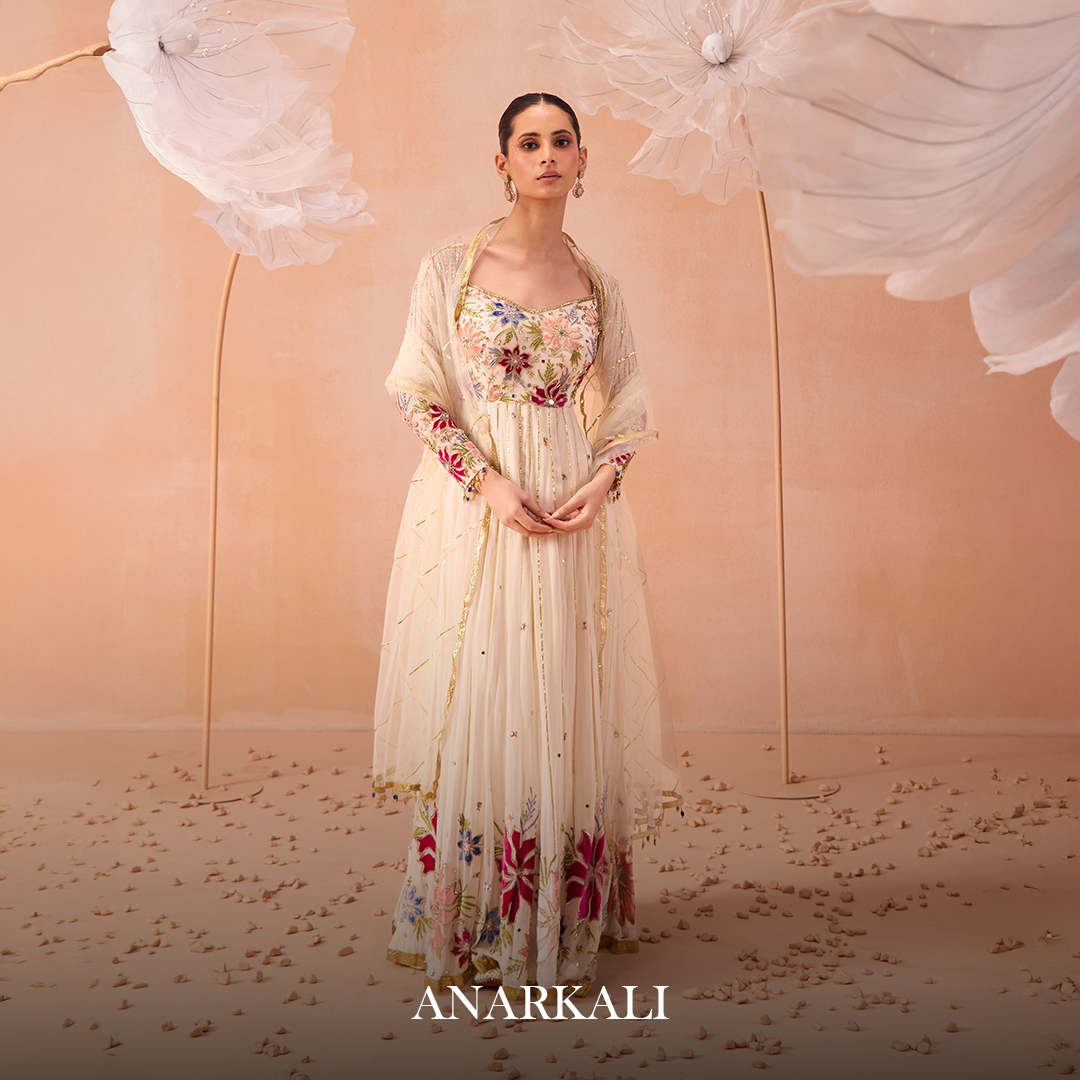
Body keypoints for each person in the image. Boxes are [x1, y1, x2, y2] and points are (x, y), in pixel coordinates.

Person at [372, 92, 680, 999]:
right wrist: (486, 483)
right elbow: (417, 388)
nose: (547, 154)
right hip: (480, 507)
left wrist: (604, 480)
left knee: (561, 694)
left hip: (571, 510)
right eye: (528, 141)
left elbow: (628, 406)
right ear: (501, 161)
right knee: (486, 690)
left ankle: (562, 920)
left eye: (562, 141)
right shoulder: (452, 267)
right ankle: (478, 919)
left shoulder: (599, 285)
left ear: (583, 160)